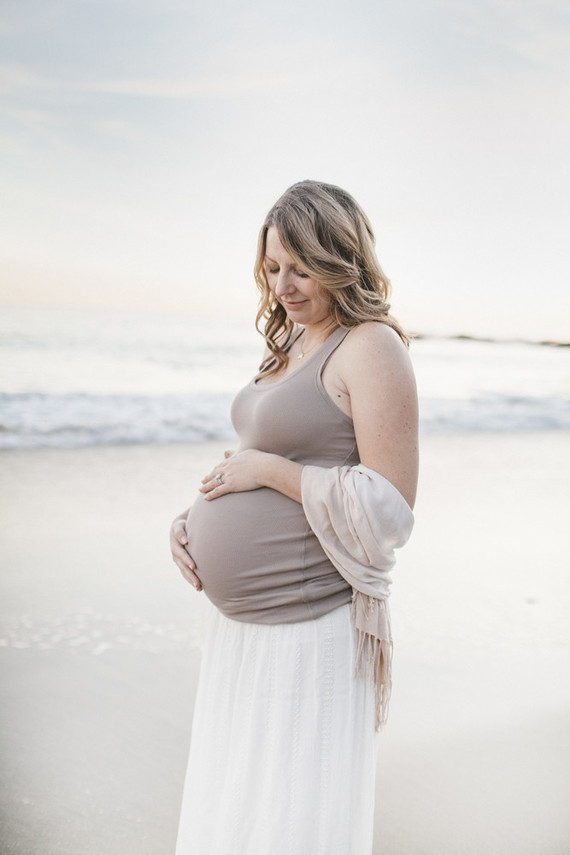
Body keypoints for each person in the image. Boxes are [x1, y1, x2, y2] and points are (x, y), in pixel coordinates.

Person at [169, 180, 419, 854]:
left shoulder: (370, 346)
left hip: (310, 629)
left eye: (301, 266)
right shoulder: (291, 347)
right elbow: (260, 458)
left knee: (291, 819)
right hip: (242, 631)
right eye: (273, 267)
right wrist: (191, 519)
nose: (283, 283)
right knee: (240, 806)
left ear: (341, 257)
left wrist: (268, 474)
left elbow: (390, 508)